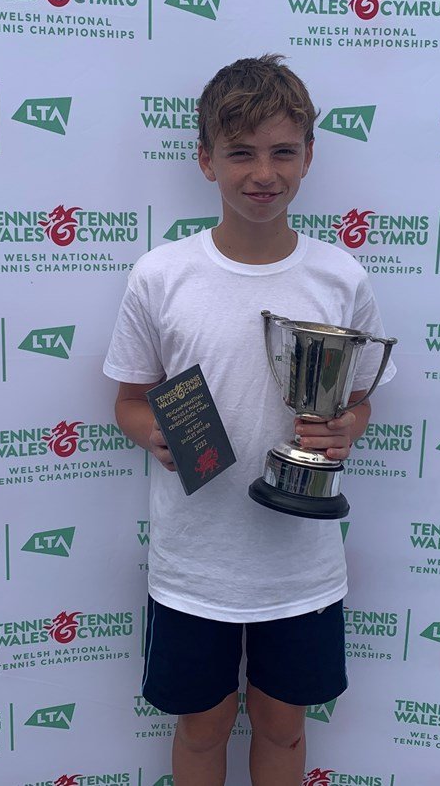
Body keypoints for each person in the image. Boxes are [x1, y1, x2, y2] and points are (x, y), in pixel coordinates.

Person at [103, 54, 395, 785]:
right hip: (195, 563)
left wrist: (350, 425)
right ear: (205, 160)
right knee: (200, 732)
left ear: (308, 157)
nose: (263, 172)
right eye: (240, 152)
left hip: (299, 567)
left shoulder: (341, 276)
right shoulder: (161, 275)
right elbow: (130, 400)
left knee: (283, 729)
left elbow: (360, 397)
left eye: (282, 151)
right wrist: (157, 433)